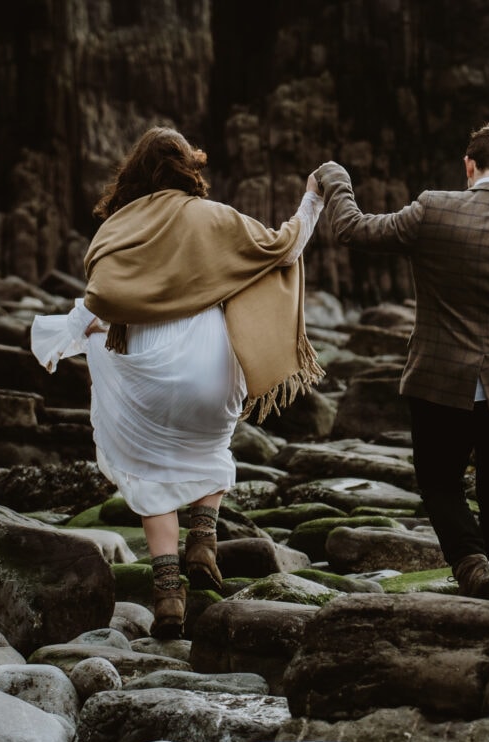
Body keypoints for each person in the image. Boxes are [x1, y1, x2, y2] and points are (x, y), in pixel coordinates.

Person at [32, 126, 324, 637]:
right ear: (189, 168)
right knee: (210, 443)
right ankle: (204, 539)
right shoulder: (214, 218)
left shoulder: (115, 229)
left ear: (135, 172)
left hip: (144, 375)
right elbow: (286, 245)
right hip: (208, 372)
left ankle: (167, 594)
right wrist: (313, 196)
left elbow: (98, 299)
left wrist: (68, 338)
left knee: (151, 472)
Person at [313, 119, 489, 601]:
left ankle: (472, 564)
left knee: (439, 484)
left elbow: (353, 230)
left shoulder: (434, 208)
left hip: (438, 383)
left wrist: (337, 179)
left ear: (469, 166)